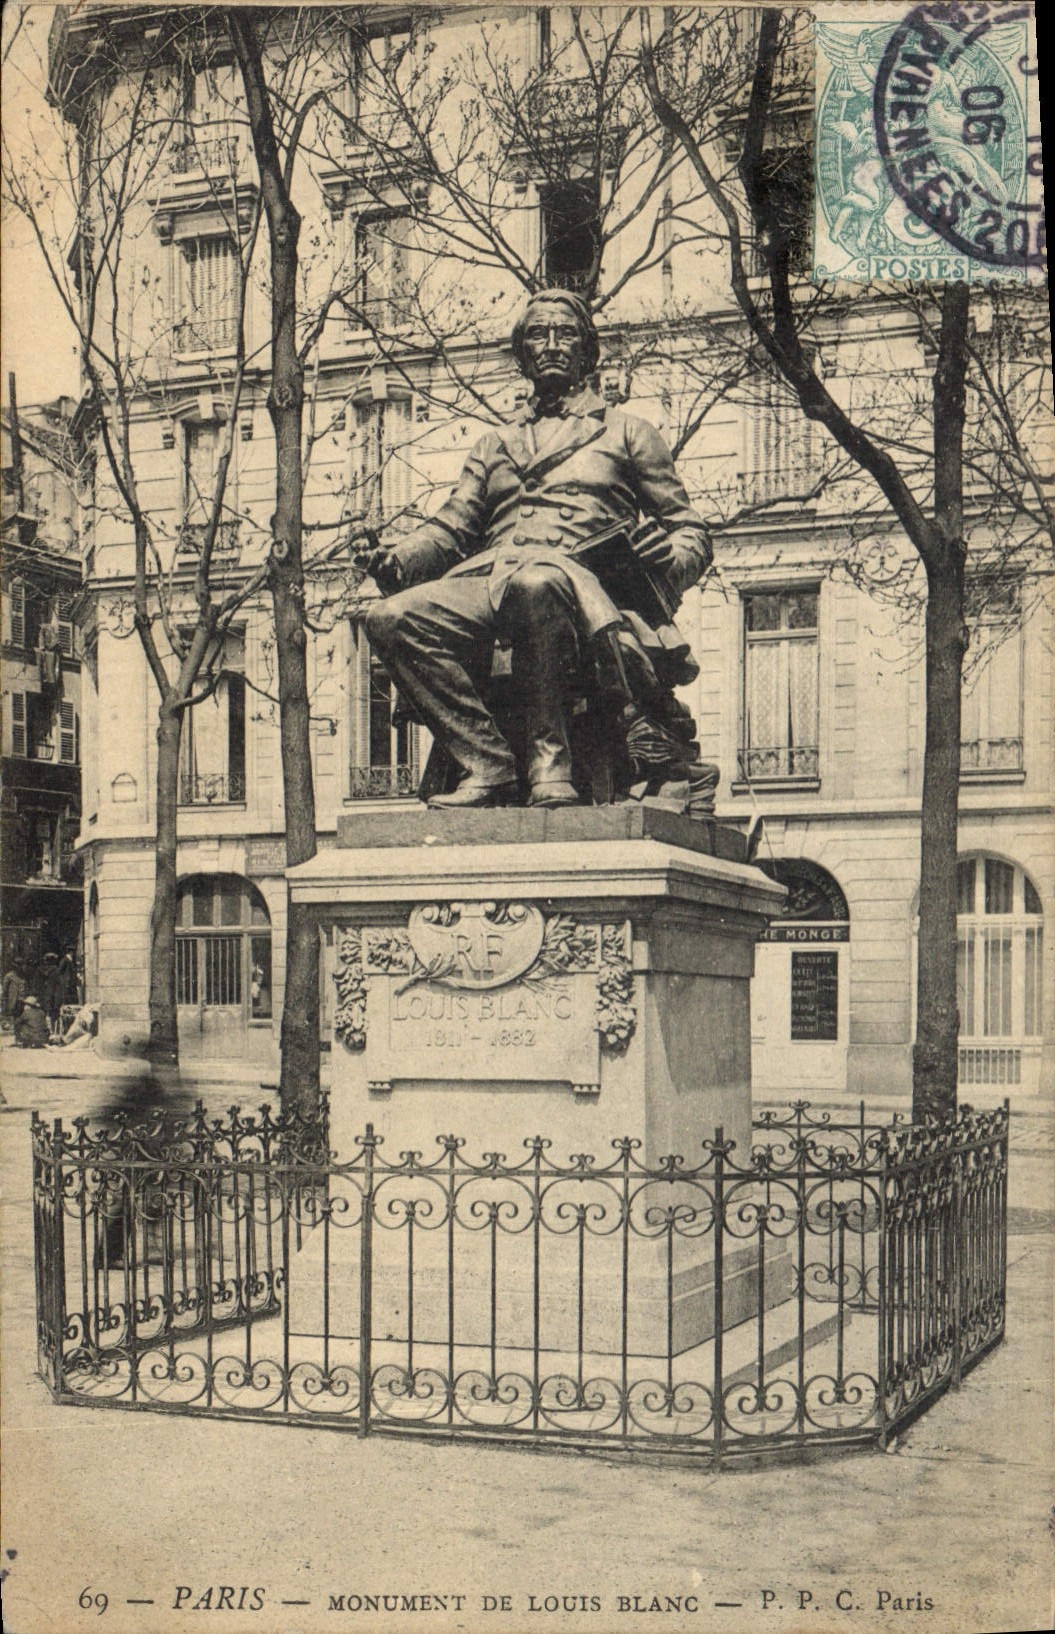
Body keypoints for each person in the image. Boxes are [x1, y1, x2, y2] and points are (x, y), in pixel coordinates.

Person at [363, 289, 712, 808]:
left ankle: (552, 765)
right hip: (492, 579)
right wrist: (398, 559)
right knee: (389, 618)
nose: (551, 345)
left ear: (587, 351)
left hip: (583, 586)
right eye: (537, 334)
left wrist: (669, 558)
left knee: (537, 582)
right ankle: (487, 761)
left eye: (565, 333)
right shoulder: (494, 444)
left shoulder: (628, 433)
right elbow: (451, 527)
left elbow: (692, 533)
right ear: (522, 354)